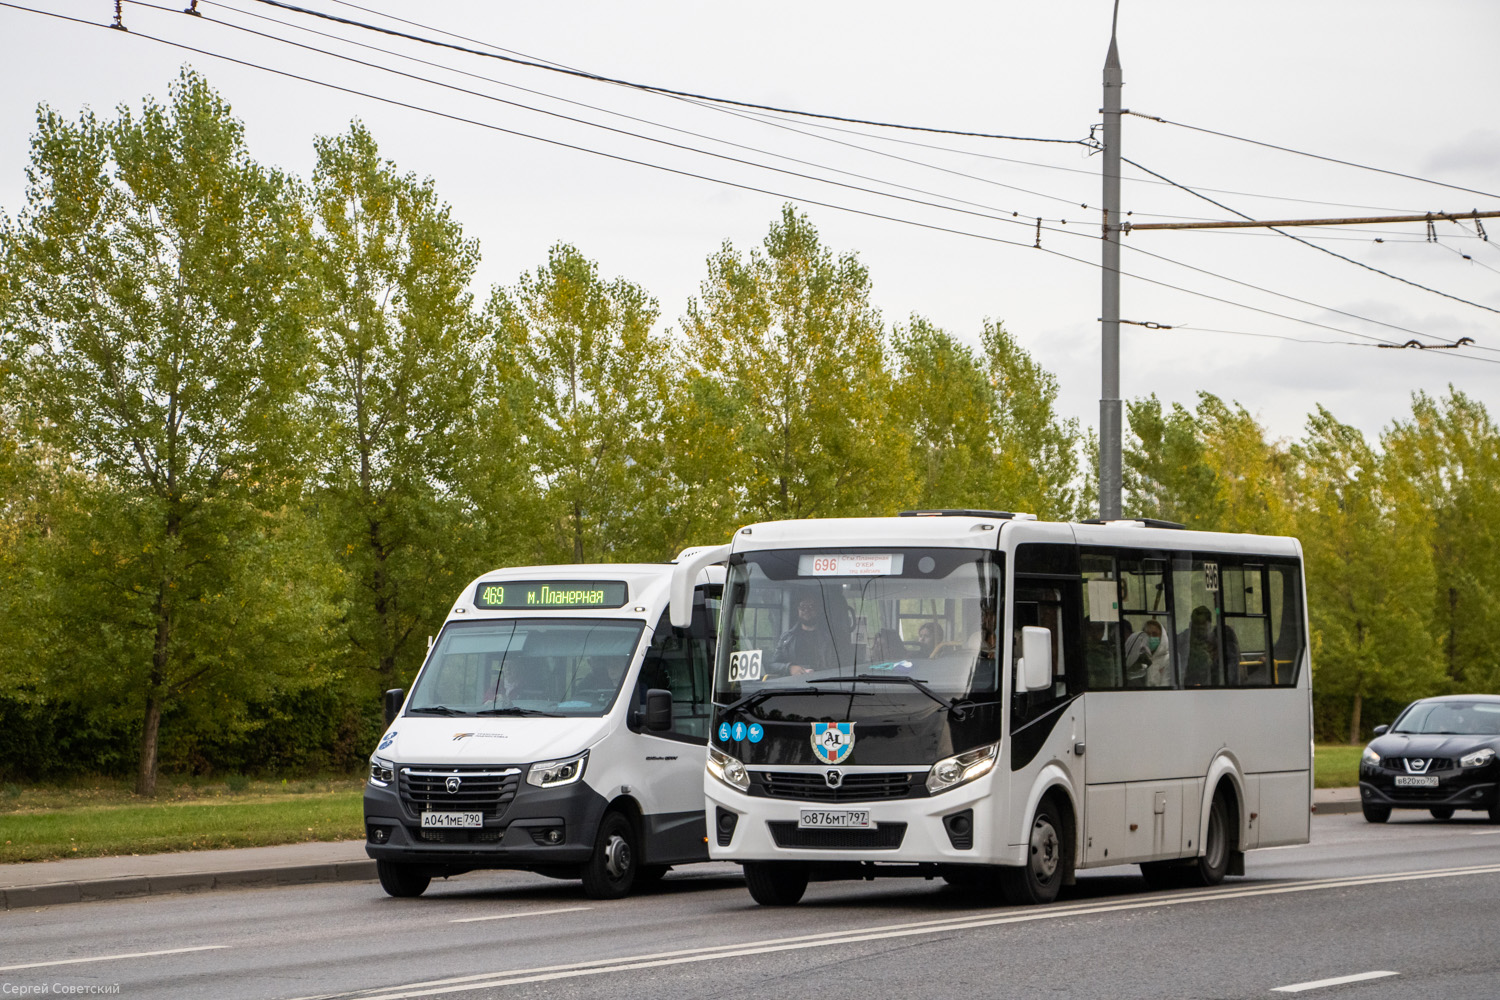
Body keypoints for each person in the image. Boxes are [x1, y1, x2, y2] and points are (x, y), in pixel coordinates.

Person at [773, 595, 838, 676]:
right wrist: (789, 668)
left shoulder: (831, 638)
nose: (807, 610)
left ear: (818, 610)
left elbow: (840, 666)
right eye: (803, 607)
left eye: (811, 606)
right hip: (792, 685)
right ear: (798, 610)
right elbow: (773, 665)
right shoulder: (787, 638)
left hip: (823, 683)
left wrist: (820, 672)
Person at [1123, 618, 1171, 687]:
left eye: (1155, 634)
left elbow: (1166, 687)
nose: (1150, 637)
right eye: (1147, 634)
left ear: (1162, 637)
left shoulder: (1169, 659)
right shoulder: (1139, 657)